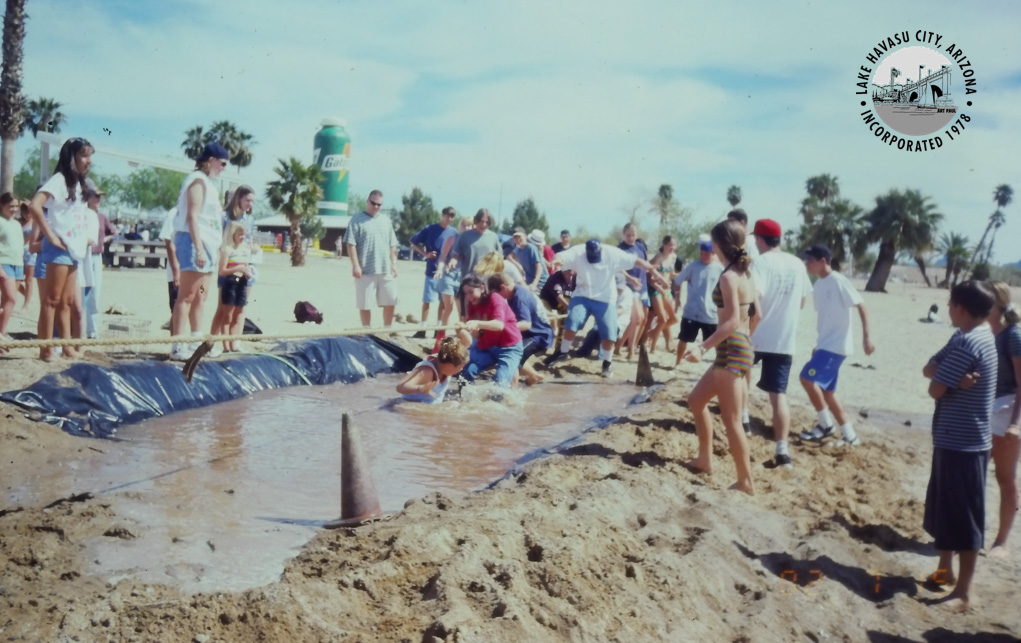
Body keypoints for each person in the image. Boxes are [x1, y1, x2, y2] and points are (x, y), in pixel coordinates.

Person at [920, 280, 996, 612]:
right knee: (947, 509)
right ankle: (945, 571)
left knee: (964, 517)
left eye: (950, 303)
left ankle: (964, 593)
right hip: (958, 439)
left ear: (960, 308)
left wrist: (947, 382)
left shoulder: (967, 344)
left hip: (963, 442)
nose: (948, 308)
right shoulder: (971, 336)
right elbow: (929, 368)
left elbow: (934, 388)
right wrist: (950, 380)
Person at [682, 219, 758, 495]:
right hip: (738, 348)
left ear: (718, 245)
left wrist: (702, 348)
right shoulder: (745, 273)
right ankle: (705, 460)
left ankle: (746, 482)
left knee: (733, 420)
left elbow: (732, 322)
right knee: (696, 401)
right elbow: (756, 314)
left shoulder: (728, 276)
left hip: (731, 351)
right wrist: (745, 340)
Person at [545, 238, 665, 378]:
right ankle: (562, 352)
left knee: (609, 332)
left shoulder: (612, 253)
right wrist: (556, 261)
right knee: (572, 320)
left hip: (605, 298)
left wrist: (651, 269)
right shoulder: (579, 251)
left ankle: (607, 363)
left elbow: (635, 260)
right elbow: (561, 256)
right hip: (583, 294)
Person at [748, 218, 812, 468]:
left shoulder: (761, 263)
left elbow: (755, 300)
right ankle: (782, 450)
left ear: (761, 239)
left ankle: (743, 420)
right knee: (779, 396)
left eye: (756, 238)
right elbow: (803, 302)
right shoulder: (797, 263)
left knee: (741, 376)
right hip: (785, 339)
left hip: (756, 335)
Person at [26, 137, 98, 361]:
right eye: (84, 156)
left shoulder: (79, 184)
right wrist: (50, 235)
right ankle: (46, 349)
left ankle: (66, 347)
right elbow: (34, 205)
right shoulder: (59, 180)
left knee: (66, 302)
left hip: (73, 249)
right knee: (51, 300)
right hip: (58, 248)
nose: (89, 161)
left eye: (90, 156)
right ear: (72, 157)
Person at [797, 244, 875, 446]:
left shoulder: (839, 281)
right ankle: (850, 436)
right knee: (828, 392)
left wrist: (867, 337)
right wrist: (818, 345)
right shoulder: (819, 285)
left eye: (810, 260)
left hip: (836, 346)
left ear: (823, 261)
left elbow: (861, 305)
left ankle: (825, 425)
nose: (807, 264)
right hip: (825, 345)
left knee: (806, 378)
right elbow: (826, 319)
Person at [169, 142, 230, 361]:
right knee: (187, 296)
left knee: (201, 297)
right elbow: (192, 216)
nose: (224, 168)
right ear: (210, 160)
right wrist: (198, 248)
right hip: (195, 243)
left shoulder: (210, 184)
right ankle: (177, 346)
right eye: (222, 163)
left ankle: (195, 340)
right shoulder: (197, 181)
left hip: (209, 245)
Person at [984, 281, 1021, 558]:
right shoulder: (990, 332)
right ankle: (970, 536)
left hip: (1007, 409)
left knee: (1005, 477)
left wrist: (1016, 423)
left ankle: (1002, 542)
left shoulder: (1013, 335)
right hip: (987, 409)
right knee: (974, 472)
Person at [209, 186, 257, 352]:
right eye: (247, 200)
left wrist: (253, 248)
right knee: (223, 308)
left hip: (245, 266)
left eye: (252, 201)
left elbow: (248, 240)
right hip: (228, 267)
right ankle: (212, 343)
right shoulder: (225, 217)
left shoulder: (249, 219)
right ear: (239, 199)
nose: (250, 204)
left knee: (240, 308)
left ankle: (235, 342)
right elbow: (217, 238)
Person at [343, 189, 399, 328]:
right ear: (368, 201)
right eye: (373, 203)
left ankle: (387, 330)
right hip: (365, 269)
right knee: (365, 303)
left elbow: (392, 244)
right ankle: (366, 331)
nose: (376, 207)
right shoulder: (356, 220)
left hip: (385, 269)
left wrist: (394, 263)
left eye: (379, 205)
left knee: (391, 300)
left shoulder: (386, 220)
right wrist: (355, 265)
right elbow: (350, 244)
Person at [489, 272, 554, 385]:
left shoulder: (520, 298)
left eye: (495, 294)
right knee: (505, 351)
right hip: (531, 332)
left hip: (539, 335)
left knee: (513, 358)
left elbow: (526, 324)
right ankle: (534, 375)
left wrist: (503, 329)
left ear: (503, 288)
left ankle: (512, 393)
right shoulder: (514, 292)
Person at [459, 273, 523, 388]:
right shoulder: (472, 304)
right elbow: (477, 336)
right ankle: (468, 402)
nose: (468, 297)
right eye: (466, 294)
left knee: (500, 383)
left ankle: (501, 401)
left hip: (509, 347)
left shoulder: (495, 298)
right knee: (464, 373)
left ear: (482, 288)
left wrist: (477, 323)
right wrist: (467, 330)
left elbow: (499, 325)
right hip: (487, 346)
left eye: (471, 292)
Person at [408, 206, 459, 336]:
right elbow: (413, 241)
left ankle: (438, 329)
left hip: (446, 273)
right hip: (432, 269)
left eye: (452, 216)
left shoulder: (454, 233)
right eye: (447, 215)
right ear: (442, 215)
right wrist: (425, 253)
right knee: (427, 300)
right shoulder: (430, 229)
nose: (449, 219)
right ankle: (422, 329)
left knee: (443, 302)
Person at [674, 240, 724, 367]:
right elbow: (677, 281)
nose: (704, 256)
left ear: (713, 253)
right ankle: (677, 362)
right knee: (683, 338)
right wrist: (677, 297)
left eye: (707, 253)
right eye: (701, 253)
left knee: (716, 342)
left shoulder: (720, 269)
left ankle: (720, 365)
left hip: (711, 314)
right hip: (692, 311)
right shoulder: (693, 266)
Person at [81, 180, 115, 339]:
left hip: (96, 256)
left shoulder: (101, 217)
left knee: (95, 294)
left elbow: (112, 232)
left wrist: (104, 240)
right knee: (81, 293)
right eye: (96, 196)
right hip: (83, 256)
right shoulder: (81, 213)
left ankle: (92, 330)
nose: (99, 200)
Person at [396, 335, 471, 403]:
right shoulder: (427, 371)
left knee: (454, 404)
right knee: (454, 404)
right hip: (411, 405)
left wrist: (461, 330)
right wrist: (420, 388)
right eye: (460, 367)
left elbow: (466, 344)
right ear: (450, 365)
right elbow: (400, 387)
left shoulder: (447, 357)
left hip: (428, 405)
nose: (461, 369)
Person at [216, 221, 254, 353]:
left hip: (243, 282)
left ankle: (234, 344)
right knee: (228, 316)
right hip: (231, 282)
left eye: (244, 235)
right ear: (233, 234)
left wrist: (248, 271)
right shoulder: (227, 250)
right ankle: (226, 346)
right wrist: (237, 268)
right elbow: (222, 271)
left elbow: (247, 265)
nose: (243, 237)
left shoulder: (245, 249)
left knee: (238, 315)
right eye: (240, 235)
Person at [616, 222, 649, 360]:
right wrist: (630, 278)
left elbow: (645, 264)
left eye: (633, 235)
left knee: (640, 320)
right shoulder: (620, 249)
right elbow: (618, 268)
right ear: (624, 234)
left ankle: (620, 346)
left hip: (642, 285)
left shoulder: (640, 246)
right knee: (638, 318)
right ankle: (631, 350)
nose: (631, 238)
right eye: (628, 235)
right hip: (629, 285)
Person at [434, 216, 473, 329]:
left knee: (463, 310)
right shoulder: (452, 239)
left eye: (469, 225)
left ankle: (461, 334)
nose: (466, 227)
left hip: (464, 277)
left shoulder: (472, 241)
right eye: (464, 225)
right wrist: (439, 269)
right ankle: (441, 334)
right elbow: (442, 257)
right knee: (448, 307)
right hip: (449, 275)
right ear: (460, 226)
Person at [642, 235, 680, 353]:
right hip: (655, 289)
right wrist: (659, 286)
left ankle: (652, 333)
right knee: (662, 318)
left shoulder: (673, 257)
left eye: (674, 245)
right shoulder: (658, 258)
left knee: (673, 319)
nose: (672, 247)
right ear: (664, 245)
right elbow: (648, 277)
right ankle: (652, 346)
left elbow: (671, 274)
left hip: (666, 290)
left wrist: (685, 276)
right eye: (670, 245)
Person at [448, 208, 501, 280]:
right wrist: (453, 261)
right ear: (476, 220)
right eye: (481, 221)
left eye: (487, 222)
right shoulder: (464, 236)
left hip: (487, 280)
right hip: (468, 279)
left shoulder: (493, 237)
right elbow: (456, 254)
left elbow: (499, 257)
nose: (484, 224)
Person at [0, 193, 24, 339]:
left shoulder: (16, 224)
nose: (14, 209)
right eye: (11, 206)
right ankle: (1, 334)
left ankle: (1, 331)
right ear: (2, 205)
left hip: (18, 264)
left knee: (7, 302)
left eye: (16, 206)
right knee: (11, 299)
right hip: (4, 262)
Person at [509, 227, 547, 292]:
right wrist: (519, 266)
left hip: (540, 283)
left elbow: (539, 267)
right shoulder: (518, 250)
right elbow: (509, 256)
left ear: (525, 236)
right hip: (529, 282)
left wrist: (534, 284)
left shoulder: (531, 248)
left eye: (520, 237)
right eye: (515, 237)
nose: (518, 239)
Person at [18, 203, 36, 312]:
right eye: (25, 212)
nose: (27, 214)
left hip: (31, 252)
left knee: (28, 280)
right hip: (20, 252)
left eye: (29, 211)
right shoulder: (20, 223)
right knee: (16, 278)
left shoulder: (35, 223)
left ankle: (26, 304)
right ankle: (28, 296)